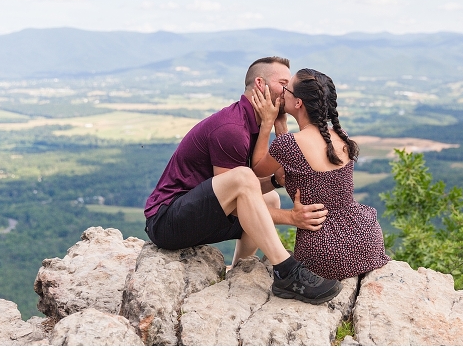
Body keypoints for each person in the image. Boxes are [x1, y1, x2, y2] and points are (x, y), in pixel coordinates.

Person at [143, 57, 342, 305]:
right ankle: (287, 271)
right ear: (260, 84)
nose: (289, 90)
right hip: (167, 221)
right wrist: (291, 218)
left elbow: (241, 193)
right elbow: (238, 192)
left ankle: (238, 270)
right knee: (245, 178)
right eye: (283, 83)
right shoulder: (231, 128)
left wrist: (275, 182)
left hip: (196, 216)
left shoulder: (253, 124)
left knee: (269, 196)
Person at [250, 68, 390, 281]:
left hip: (324, 248)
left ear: (298, 103)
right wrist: (282, 125)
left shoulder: (289, 145)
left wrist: (267, 123)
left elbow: (257, 168)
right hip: (366, 238)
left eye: (287, 89)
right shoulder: (341, 137)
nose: (282, 93)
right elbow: (288, 157)